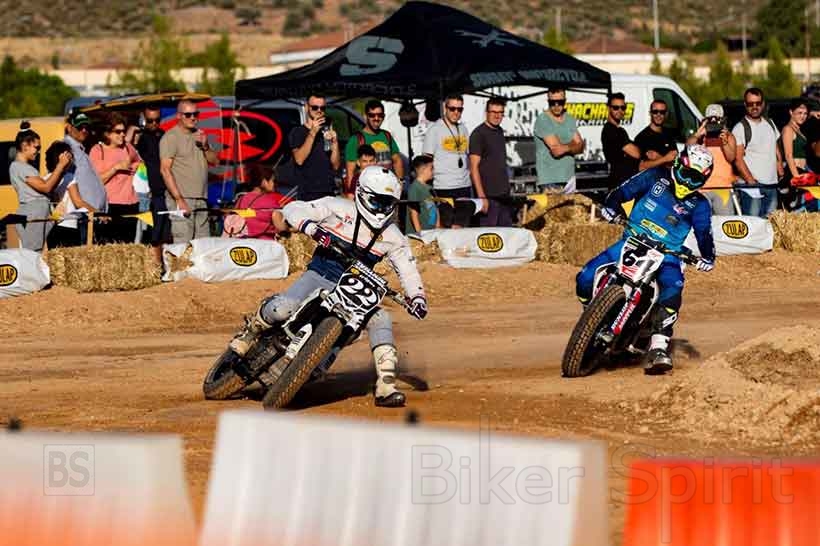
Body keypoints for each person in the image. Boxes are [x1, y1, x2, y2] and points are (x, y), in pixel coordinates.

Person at [228, 166, 427, 408]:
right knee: (283, 309)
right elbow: (292, 208)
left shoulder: (394, 236)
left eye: (388, 204)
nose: (382, 209)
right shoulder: (337, 207)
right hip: (320, 275)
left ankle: (386, 385)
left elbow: (407, 269)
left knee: (381, 318)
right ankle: (250, 332)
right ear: (362, 194)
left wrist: (417, 297)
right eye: (377, 202)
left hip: (355, 291)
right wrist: (310, 227)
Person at [575, 144, 716, 375]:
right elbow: (623, 191)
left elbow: (704, 234)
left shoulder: (700, 204)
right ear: (678, 165)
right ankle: (589, 315)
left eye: (696, 178)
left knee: (673, 287)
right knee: (585, 276)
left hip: (668, 254)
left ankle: (659, 347)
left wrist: (708, 257)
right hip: (632, 239)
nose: (688, 182)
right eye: (686, 174)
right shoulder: (655, 176)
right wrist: (611, 207)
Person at [160, 100, 219, 242]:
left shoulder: (200, 135)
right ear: (178, 116)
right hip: (182, 198)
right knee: (183, 245)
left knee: (203, 245)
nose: (193, 118)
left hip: (201, 198)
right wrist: (179, 200)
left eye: (195, 114)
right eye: (188, 115)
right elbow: (165, 170)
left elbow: (215, 161)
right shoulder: (171, 137)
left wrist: (205, 146)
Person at [9, 122, 71, 250]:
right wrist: (60, 166)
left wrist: (63, 169)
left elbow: (48, 188)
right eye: (37, 147)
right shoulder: (18, 167)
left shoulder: (26, 167)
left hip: (38, 211)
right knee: (34, 253)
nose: (38, 152)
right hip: (33, 212)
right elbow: (46, 187)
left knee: (41, 252)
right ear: (25, 145)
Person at [89, 112, 142, 244]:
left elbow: (138, 162)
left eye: (124, 131)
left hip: (130, 205)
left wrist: (134, 169)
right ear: (107, 133)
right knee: (108, 248)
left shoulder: (128, 148)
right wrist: (116, 168)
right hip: (108, 205)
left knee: (128, 248)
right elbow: (96, 182)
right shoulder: (97, 150)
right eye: (118, 131)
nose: (123, 134)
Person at [422, 94, 472, 227]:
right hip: (443, 186)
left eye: (459, 109)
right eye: (452, 108)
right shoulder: (434, 129)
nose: (456, 112)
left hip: (464, 186)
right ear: (445, 108)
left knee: (462, 227)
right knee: (447, 228)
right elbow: (426, 160)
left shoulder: (463, 129)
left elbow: (467, 157)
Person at [732, 87, 783, 217]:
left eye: (758, 103)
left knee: (770, 224)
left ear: (763, 104)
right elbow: (738, 159)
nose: (754, 107)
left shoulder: (770, 123)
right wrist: (751, 181)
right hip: (752, 188)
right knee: (753, 224)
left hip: (772, 185)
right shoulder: (740, 128)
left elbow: (775, 148)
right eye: (750, 104)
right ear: (745, 105)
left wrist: (780, 169)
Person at [64, 111, 108, 242]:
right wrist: (93, 211)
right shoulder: (67, 148)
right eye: (80, 127)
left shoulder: (80, 149)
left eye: (86, 127)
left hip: (91, 215)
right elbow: (69, 183)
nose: (84, 130)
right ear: (69, 127)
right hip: (84, 216)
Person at [287, 95, 341, 201]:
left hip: (328, 191)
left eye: (322, 108)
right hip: (308, 193)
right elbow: (299, 160)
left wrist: (335, 143)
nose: (319, 111)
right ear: (307, 107)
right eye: (315, 107)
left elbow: (336, 166)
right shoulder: (297, 132)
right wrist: (313, 132)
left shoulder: (326, 131)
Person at [134, 106, 170, 265]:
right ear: (144, 120)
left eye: (157, 120)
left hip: (165, 191)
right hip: (147, 193)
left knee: (164, 233)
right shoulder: (141, 138)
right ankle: (153, 267)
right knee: (150, 234)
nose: (154, 124)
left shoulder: (164, 136)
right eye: (150, 121)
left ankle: (162, 266)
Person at [469, 97, 513, 226]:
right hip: (488, 196)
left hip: (504, 195)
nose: (497, 116)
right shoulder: (478, 134)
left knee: (506, 233)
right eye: (493, 112)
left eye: (500, 112)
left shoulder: (499, 131)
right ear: (486, 112)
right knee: (489, 234)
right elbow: (473, 168)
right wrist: (482, 197)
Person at [688, 104, 738, 215]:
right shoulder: (701, 137)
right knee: (703, 222)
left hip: (723, 188)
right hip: (702, 189)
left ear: (723, 120)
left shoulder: (729, 136)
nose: (714, 122)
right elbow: (688, 148)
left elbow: (731, 158)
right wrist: (698, 134)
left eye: (717, 119)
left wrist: (724, 142)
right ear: (705, 120)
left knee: (725, 223)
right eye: (710, 120)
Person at [46, 141, 98, 248]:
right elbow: (78, 202)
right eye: (70, 157)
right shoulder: (69, 176)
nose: (72, 160)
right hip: (69, 226)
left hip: (52, 227)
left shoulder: (46, 178)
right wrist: (97, 213)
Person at [344, 99, 403, 190]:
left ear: (384, 116)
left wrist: (400, 183)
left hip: (388, 189)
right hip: (367, 191)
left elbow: (397, 160)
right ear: (365, 116)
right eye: (372, 115)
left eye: (380, 115)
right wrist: (351, 193)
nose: (376, 118)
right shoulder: (355, 140)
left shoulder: (387, 135)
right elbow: (350, 173)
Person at [533, 88, 584, 192]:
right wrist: (573, 144)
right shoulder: (543, 120)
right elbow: (557, 151)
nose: (556, 105)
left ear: (565, 101)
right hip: (550, 180)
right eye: (552, 102)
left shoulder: (569, 119)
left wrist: (566, 147)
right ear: (548, 101)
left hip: (569, 178)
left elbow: (581, 147)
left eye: (560, 102)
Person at [225, 163, 287, 239]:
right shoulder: (271, 202)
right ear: (264, 182)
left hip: (241, 242)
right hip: (265, 243)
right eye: (273, 180)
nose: (275, 184)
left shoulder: (242, 199)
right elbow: (281, 227)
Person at [602, 92, 641, 191]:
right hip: (619, 184)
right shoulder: (611, 131)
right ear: (608, 108)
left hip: (626, 182)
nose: (620, 111)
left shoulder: (619, 130)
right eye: (616, 107)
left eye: (623, 108)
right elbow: (636, 153)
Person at [635, 99, 677, 170]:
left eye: (662, 112)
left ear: (666, 114)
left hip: (669, 176)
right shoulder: (642, 138)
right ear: (650, 113)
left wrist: (659, 158)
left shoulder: (669, 134)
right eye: (655, 112)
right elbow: (641, 167)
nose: (658, 115)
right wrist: (665, 159)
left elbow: (675, 164)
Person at [405, 154, 440, 235]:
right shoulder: (414, 188)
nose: (434, 171)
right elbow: (414, 213)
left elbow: (436, 209)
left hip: (432, 232)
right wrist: (419, 233)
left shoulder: (430, 188)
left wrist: (438, 227)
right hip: (420, 234)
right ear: (422, 169)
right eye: (431, 168)